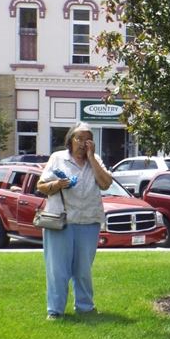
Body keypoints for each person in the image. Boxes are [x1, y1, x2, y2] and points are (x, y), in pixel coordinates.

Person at [37, 122, 113, 320]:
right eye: (79, 138)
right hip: (61, 221)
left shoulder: (95, 160)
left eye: (88, 139)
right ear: (70, 140)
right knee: (57, 269)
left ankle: (85, 307)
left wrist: (91, 158)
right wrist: (58, 184)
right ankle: (55, 310)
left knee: (83, 269)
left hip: (89, 221)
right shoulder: (58, 158)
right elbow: (41, 186)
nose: (83, 143)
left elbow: (105, 184)